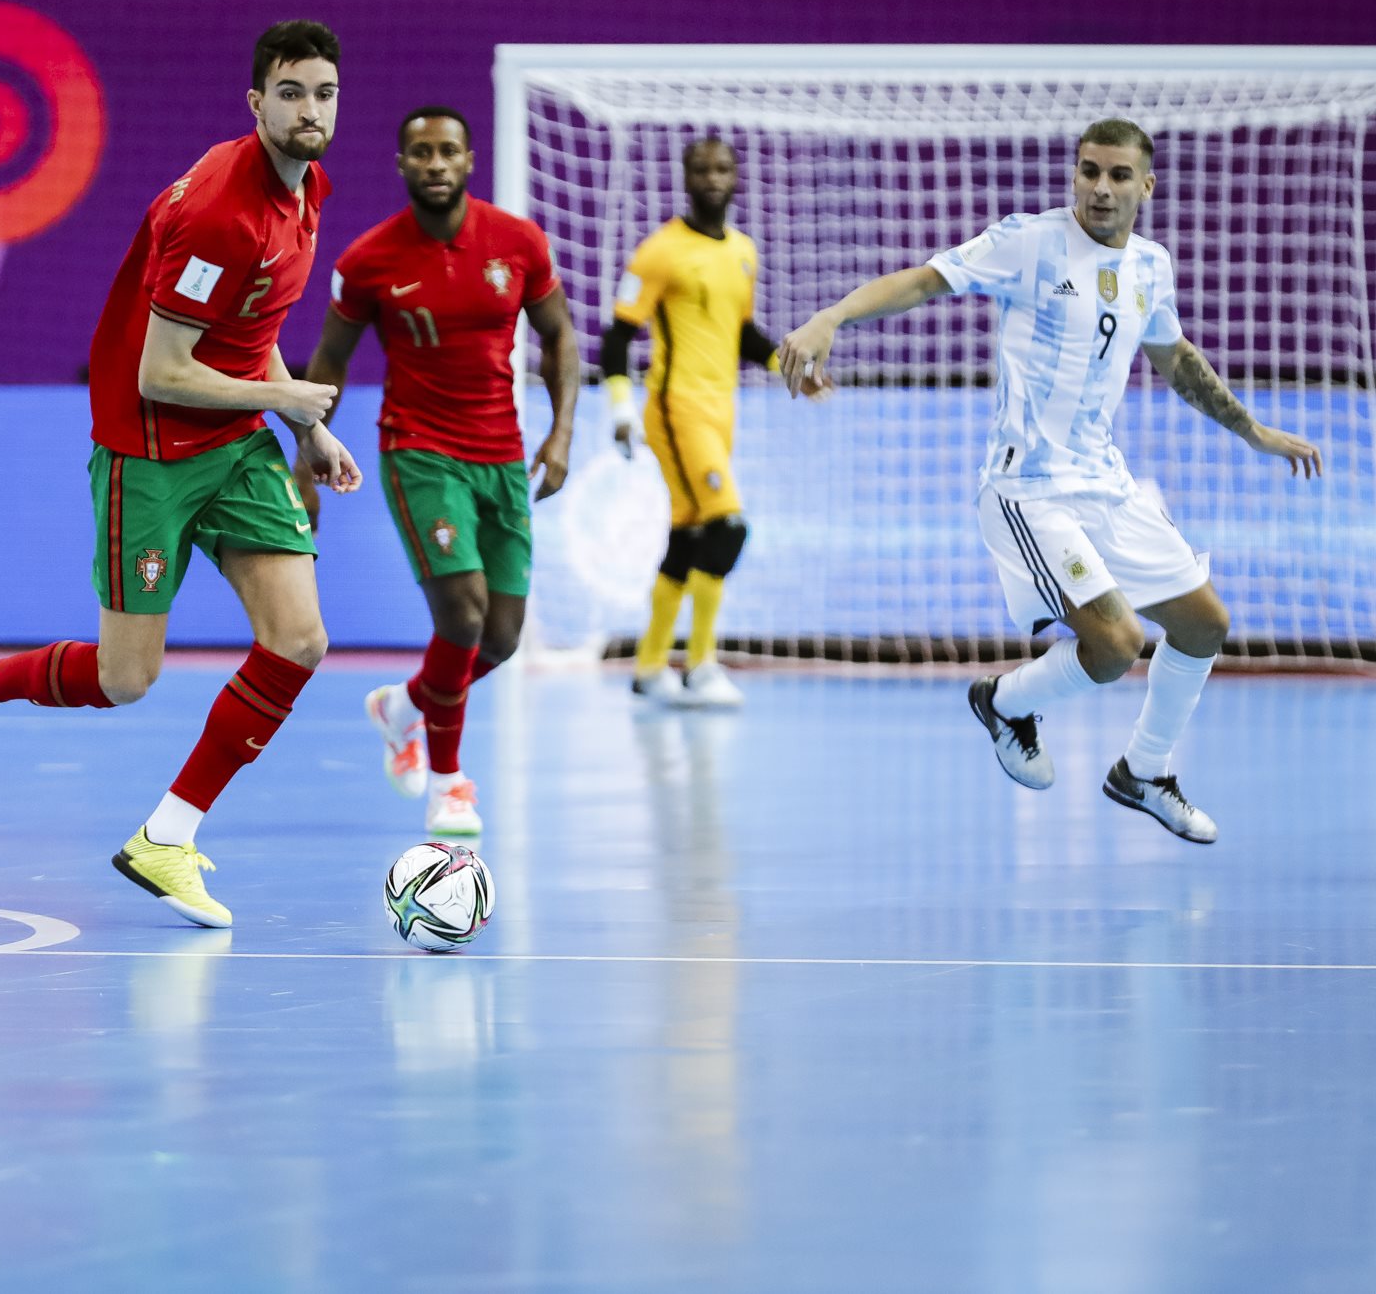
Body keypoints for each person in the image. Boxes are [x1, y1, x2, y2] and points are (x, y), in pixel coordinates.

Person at [0, 21, 362, 928]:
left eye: (325, 93)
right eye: (292, 93)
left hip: (233, 444)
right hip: (150, 452)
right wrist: (288, 392)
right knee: (124, 677)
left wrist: (303, 425)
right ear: (256, 102)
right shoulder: (222, 210)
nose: (310, 110)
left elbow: (252, 323)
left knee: (299, 638)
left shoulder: (306, 194)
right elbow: (162, 371)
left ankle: (167, 838)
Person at [777, 118, 1321, 843]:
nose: (1100, 187)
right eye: (1089, 170)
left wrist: (1252, 430)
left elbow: (1176, 358)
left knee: (1205, 623)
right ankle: (1005, 700)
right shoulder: (1029, 242)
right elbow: (922, 281)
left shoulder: (1152, 267)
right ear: (1074, 175)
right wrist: (831, 317)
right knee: (1119, 643)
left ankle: (1146, 770)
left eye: (1119, 175)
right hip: (1027, 489)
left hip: (1105, 482)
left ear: (1146, 187)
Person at [294, 105, 578, 835]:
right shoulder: (368, 260)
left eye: (447, 150)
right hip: (418, 449)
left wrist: (561, 434)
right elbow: (327, 363)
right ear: (402, 165)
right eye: (420, 152)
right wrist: (306, 454)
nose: (435, 163)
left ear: (469, 159)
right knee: (463, 611)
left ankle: (403, 705)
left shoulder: (518, 242)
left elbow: (559, 337)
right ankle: (450, 783)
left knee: (503, 637)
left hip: (502, 453)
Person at [602, 138, 796, 709]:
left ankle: (649, 664)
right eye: (701, 170)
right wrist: (618, 408)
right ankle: (702, 663)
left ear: (736, 178)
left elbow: (739, 330)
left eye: (723, 169)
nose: (713, 178)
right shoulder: (659, 252)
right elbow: (616, 337)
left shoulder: (742, 251)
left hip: (722, 409)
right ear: (685, 178)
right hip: (676, 407)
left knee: (688, 538)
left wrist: (784, 366)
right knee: (726, 527)